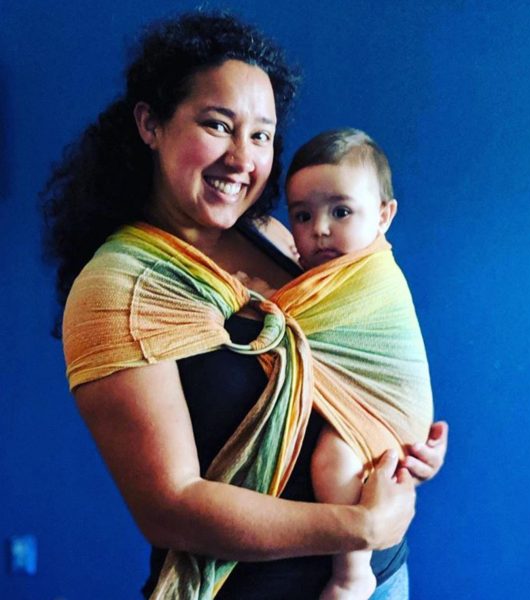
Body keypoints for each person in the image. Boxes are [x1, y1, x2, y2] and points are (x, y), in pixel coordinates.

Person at [41, 11, 448, 600]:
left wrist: (401, 442)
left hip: (385, 579)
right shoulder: (116, 290)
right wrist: (360, 527)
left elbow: (348, 373)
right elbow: (170, 506)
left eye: (261, 135)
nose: (242, 158)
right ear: (150, 124)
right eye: (217, 125)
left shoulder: (276, 235)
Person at [278, 128, 433, 599]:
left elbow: (282, 325)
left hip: (386, 406)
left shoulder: (370, 276)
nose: (319, 228)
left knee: (334, 461)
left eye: (340, 211)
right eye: (302, 215)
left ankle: (351, 573)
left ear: (384, 215)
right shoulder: (317, 274)